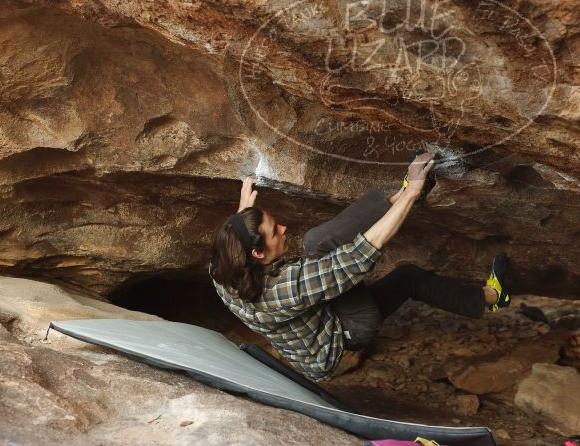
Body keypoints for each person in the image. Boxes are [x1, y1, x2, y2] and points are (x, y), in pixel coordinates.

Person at [209, 152, 511, 382]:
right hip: (346, 335)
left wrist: (243, 213)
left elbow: (239, 241)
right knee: (318, 242)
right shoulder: (284, 289)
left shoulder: (221, 272)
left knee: (408, 277)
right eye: (275, 231)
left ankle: (491, 296)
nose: (284, 229)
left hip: (321, 322)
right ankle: (405, 193)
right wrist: (412, 193)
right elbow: (358, 255)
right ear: (258, 253)